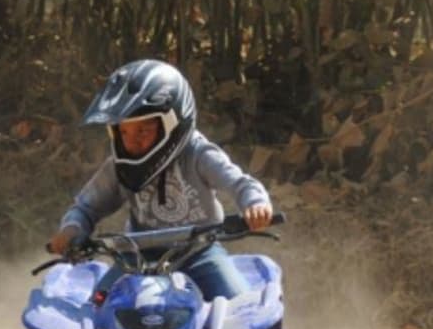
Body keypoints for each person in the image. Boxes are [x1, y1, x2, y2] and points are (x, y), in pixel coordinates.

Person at [47, 59, 274, 300]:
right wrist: (72, 230)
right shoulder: (118, 166)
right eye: (124, 131)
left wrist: (255, 204)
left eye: (143, 131)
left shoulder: (198, 154)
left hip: (200, 253)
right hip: (136, 257)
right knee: (97, 307)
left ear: (174, 122)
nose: (132, 141)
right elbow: (86, 207)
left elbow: (240, 183)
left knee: (241, 307)